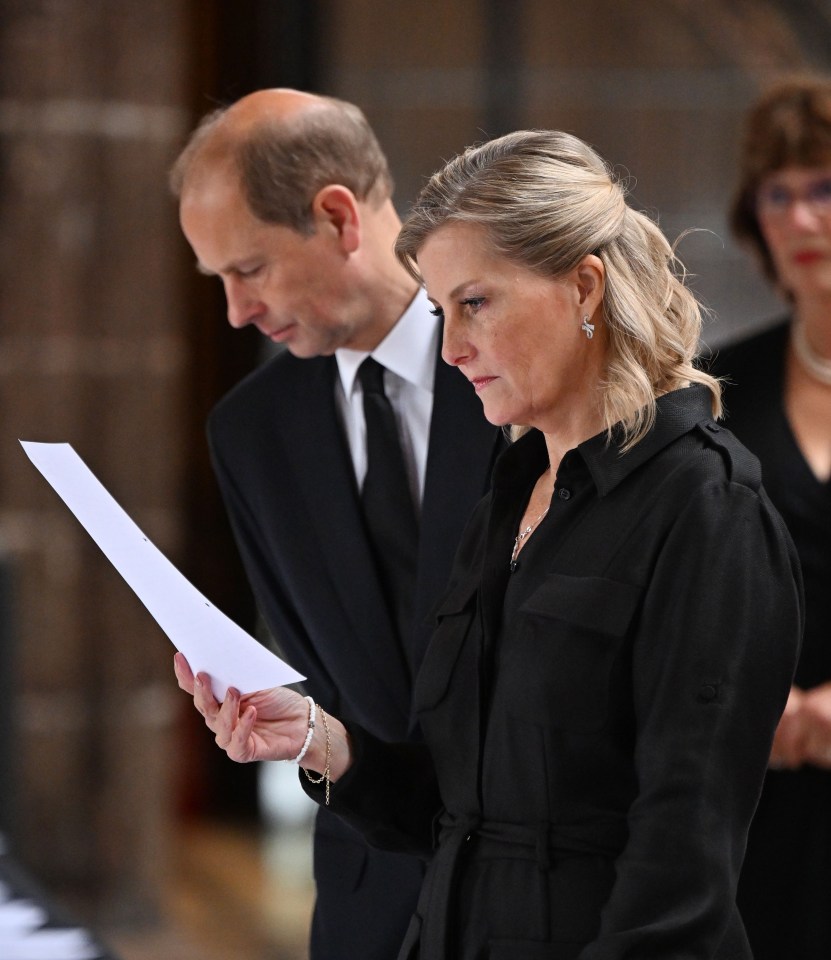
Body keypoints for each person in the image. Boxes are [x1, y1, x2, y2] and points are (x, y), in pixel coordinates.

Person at [174, 129, 803, 959]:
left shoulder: (706, 507)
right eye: (440, 312)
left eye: (475, 303)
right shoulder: (508, 500)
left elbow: (678, 870)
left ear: (583, 287)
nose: (450, 348)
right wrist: (316, 738)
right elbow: (454, 804)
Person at [169, 89, 505, 960]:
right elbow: (325, 679)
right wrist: (283, 716)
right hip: (369, 897)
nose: (238, 312)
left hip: (543, 892)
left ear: (336, 215)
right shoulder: (249, 432)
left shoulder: (518, 371)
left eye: (249, 269)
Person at [708, 76, 831, 960]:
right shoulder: (713, 392)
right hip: (750, 795)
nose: (799, 219)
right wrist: (752, 702)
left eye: (824, 188)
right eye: (777, 195)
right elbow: (683, 590)